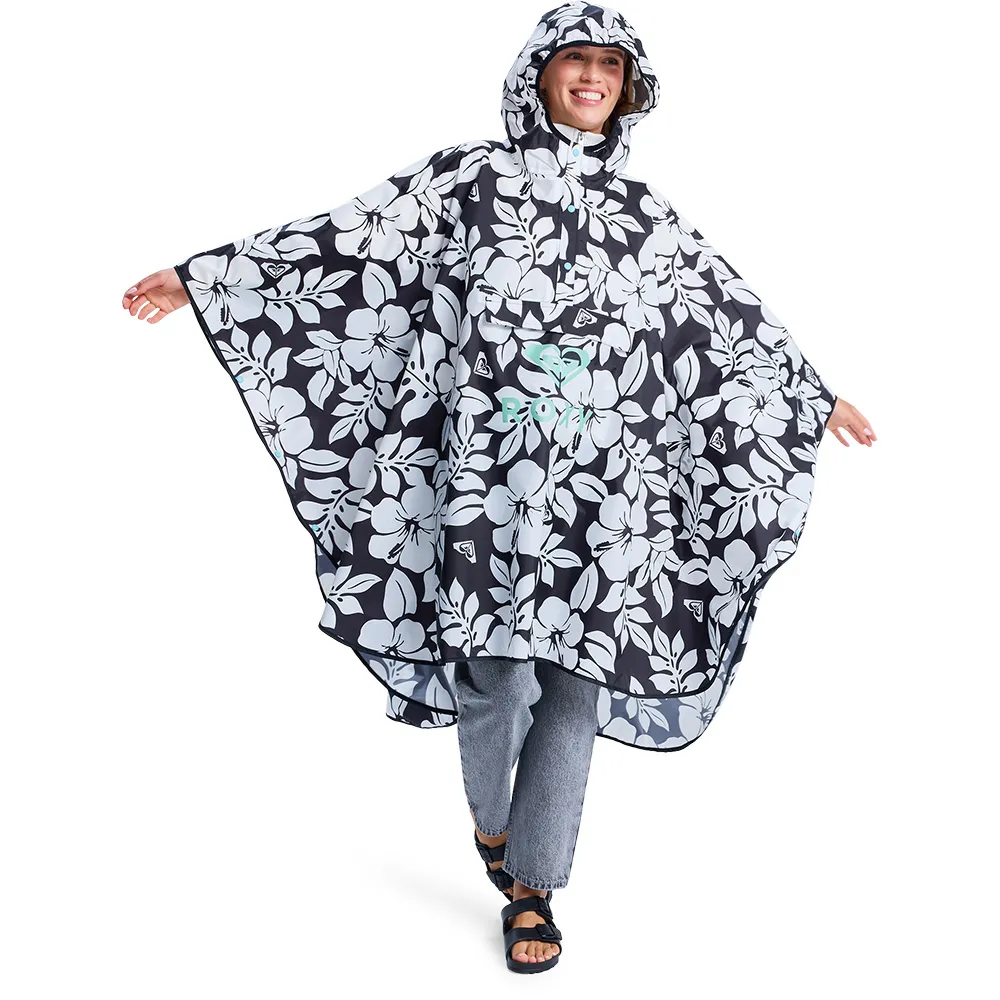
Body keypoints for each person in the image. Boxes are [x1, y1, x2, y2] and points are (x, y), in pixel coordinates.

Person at [121, 2, 877, 974]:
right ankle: (494, 826)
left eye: (611, 65)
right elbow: (348, 241)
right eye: (576, 60)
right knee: (497, 676)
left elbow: (723, 316)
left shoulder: (644, 217)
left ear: (629, 88)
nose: (592, 77)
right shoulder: (468, 180)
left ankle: (533, 887)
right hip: (486, 481)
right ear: (540, 74)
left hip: (607, 495)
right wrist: (205, 277)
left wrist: (809, 394)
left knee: (575, 682)